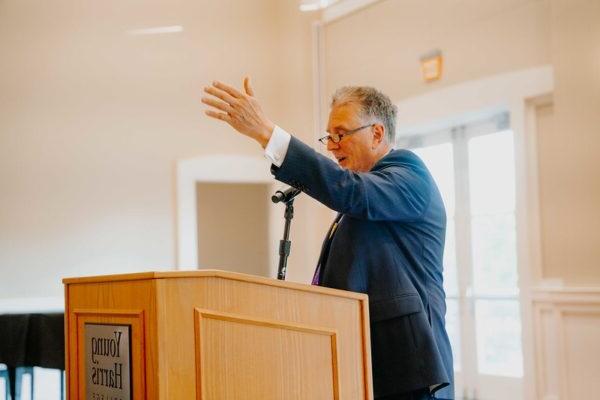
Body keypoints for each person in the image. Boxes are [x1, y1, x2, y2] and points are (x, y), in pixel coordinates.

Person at [202, 77, 454, 400]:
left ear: (377, 133)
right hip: (368, 366)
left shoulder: (409, 174)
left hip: (410, 371)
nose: (332, 146)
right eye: (329, 136)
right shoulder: (366, 194)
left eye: (341, 134)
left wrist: (268, 134)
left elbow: (349, 191)